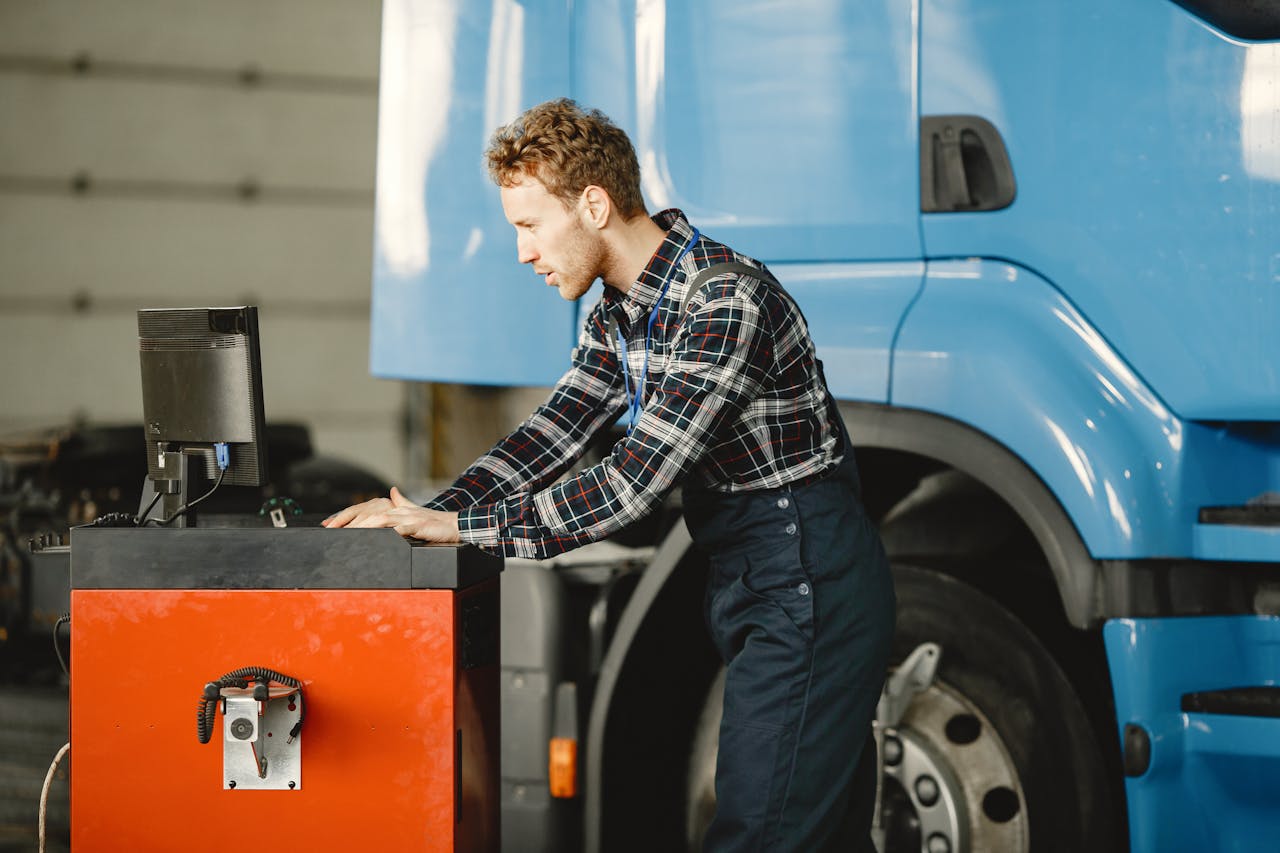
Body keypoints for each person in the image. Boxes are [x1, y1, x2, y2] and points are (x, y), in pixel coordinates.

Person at [324, 98, 896, 852]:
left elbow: (632, 483)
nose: (524, 251)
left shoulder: (723, 301)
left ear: (593, 204)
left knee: (760, 834)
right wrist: (420, 514)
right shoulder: (617, 316)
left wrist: (464, 529)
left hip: (808, 575)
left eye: (530, 225)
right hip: (755, 574)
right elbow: (549, 436)